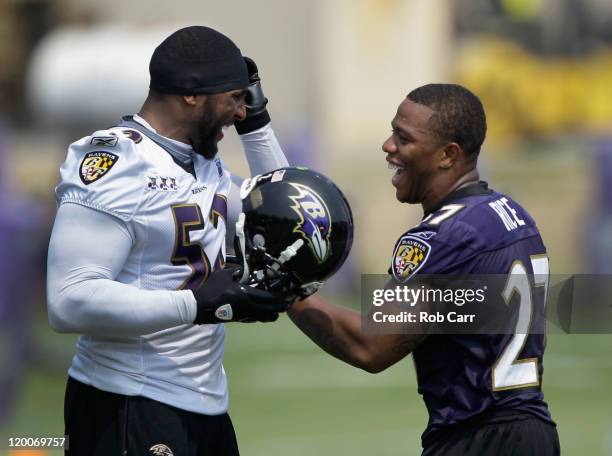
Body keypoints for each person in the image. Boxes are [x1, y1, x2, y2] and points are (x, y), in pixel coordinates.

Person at [47, 26, 291, 455]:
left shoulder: (202, 163)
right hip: (128, 401)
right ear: (191, 95)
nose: (239, 112)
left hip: (204, 403)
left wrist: (257, 124)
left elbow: (284, 217)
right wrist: (196, 304)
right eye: (234, 99)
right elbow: (68, 300)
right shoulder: (117, 161)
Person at [288, 84, 560, 455]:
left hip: (475, 438)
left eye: (404, 138)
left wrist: (286, 291)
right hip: (535, 435)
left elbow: (371, 346)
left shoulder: (441, 236)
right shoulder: (512, 214)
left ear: (448, 155)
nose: (388, 146)